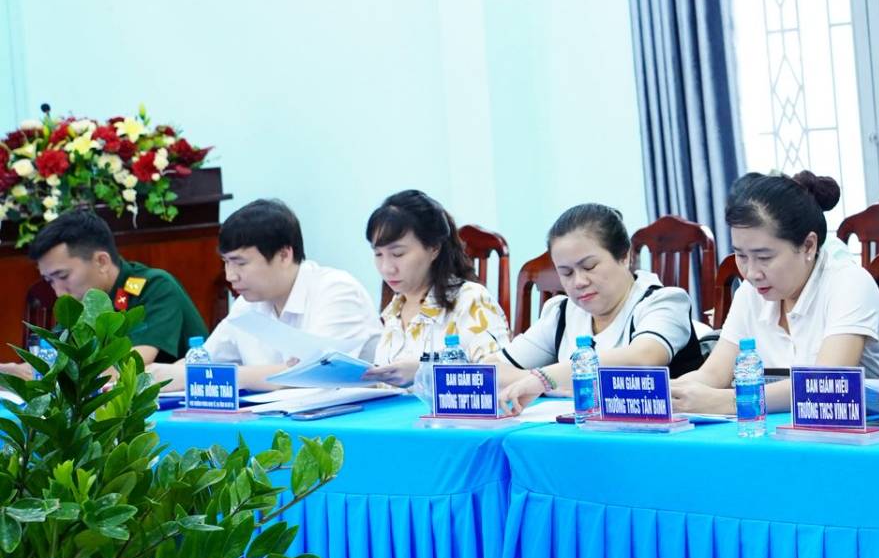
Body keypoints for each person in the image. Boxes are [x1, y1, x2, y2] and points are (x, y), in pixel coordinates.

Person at [672, 172, 879, 414]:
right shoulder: (750, 293)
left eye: (764, 257)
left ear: (808, 246)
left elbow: (825, 385)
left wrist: (728, 402)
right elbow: (713, 374)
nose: (751, 273)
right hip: (792, 428)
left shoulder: (849, 283)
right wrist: (664, 393)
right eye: (741, 256)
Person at [149, 198, 381, 391]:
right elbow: (203, 361)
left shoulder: (337, 291)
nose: (230, 276)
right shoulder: (247, 305)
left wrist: (200, 376)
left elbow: (315, 376)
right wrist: (161, 376)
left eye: (240, 263)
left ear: (284, 255)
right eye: (226, 262)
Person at [498, 203, 704, 413]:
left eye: (589, 267)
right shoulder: (562, 313)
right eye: (566, 273)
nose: (579, 282)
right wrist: (553, 385)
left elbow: (643, 358)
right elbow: (494, 368)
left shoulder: (664, 302)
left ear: (625, 256)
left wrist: (546, 379)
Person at [0, 209, 206, 374]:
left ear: (102, 261)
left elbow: (130, 365)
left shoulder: (154, 287)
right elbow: (52, 360)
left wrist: (43, 374)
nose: (59, 293)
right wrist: (15, 373)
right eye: (49, 281)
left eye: (63, 276)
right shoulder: (79, 303)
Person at [360, 190, 509, 387]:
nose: (387, 268)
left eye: (398, 254)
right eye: (378, 254)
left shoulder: (469, 300)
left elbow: (501, 377)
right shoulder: (393, 311)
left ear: (434, 248)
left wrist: (425, 371)